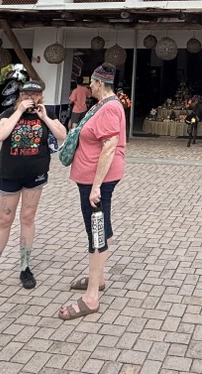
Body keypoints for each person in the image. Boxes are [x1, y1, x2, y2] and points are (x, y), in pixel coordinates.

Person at [0, 80, 67, 296]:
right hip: (10, 173)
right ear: (20, 95)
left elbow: (62, 135)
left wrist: (44, 117)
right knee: (4, 220)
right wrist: (18, 112)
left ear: (40, 96)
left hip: (35, 172)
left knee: (27, 217)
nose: (30, 98)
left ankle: (24, 266)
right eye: (26, 94)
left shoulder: (47, 112)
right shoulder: (9, 112)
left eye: (34, 94)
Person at [58, 63, 126, 321]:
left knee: (95, 231)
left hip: (97, 180)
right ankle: (98, 277)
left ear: (99, 83)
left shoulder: (109, 108)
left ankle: (91, 297)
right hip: (90, 177)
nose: (89, 87)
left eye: (92, 83)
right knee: (99, 226)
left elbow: (109, 147)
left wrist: (96, 185)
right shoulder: (103, 105)